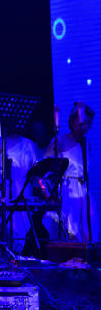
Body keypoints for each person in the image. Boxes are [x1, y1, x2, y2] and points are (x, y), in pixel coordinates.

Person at [45, 102, 96, 242]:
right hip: (67, 190)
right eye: (83, 122)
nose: (85, 127)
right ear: (73, 122)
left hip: (83, 191)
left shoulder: (86, 143)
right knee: (70, 231)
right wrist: (48, 192)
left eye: (88, 123)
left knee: (87, 231)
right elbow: (43, 167)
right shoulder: (59, 141)